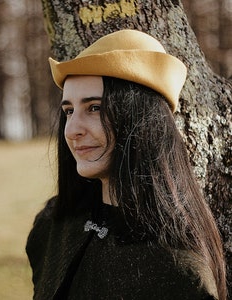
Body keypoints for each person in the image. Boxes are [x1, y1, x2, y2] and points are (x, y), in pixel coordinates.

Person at [26, 30, 227, 300]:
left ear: (141, 120)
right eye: (69, 111)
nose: (72, 130)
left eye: (94, 108)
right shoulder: (54, 225)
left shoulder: (177, 270)